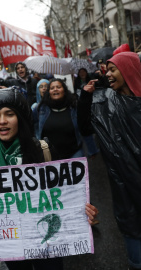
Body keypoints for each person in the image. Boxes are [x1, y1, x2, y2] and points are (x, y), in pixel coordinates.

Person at [0, 87, 99, 270]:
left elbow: (67, 198)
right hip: (12, 245)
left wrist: (85, 214)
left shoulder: (44, 150)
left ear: (21, 117)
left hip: (47, 243)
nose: (2, 121)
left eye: (9, 114)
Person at [77, 51, 141, 270]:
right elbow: (85, 127)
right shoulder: (104, 103)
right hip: (127, 199)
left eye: (113, 69)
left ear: (129, 70)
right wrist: (85, 98)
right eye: (108, 69)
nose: (108, 73)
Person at [33, 79, 84, 160]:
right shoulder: (40, 109)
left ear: (64, 90)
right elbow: (33, 125)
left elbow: (84, 128)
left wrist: (92, 149)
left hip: (74, 154)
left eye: (58, 87)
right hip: (48, 156)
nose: (55, 89)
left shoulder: (74, 107)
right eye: (52, 88)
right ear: (49, 92)